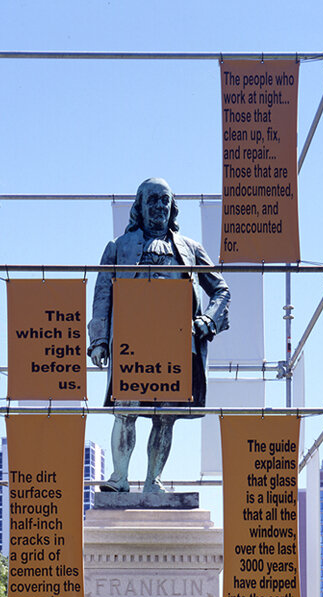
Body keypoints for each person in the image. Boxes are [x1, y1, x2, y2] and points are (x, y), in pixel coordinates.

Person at [88, 177, 231, 493]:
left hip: (176, 342)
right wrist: (98, 339)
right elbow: (102, 294)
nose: (159, 206)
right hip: (132, 341)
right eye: (152, 199)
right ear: (139, 206)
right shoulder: (118, 247)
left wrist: (208, 320)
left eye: (165, 200)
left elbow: (220, 288)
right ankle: (119, 478)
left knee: (165, 415)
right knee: (126, 409)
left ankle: (154, 481)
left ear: (172, 207)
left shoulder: (191, 249)